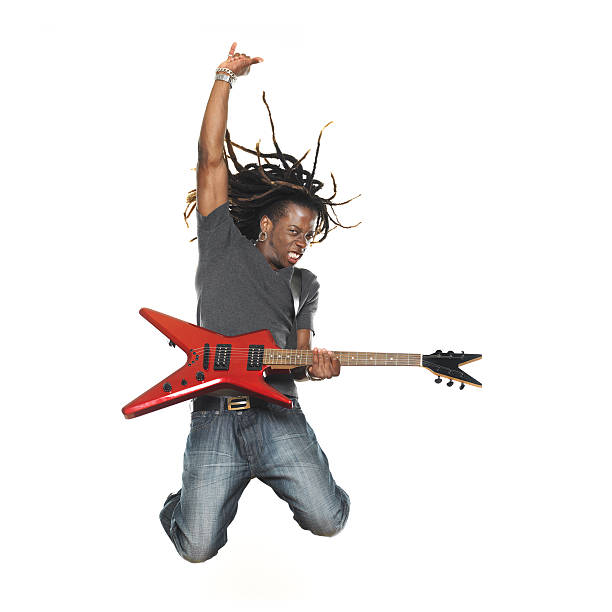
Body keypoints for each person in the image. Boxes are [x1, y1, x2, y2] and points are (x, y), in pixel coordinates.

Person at [159, 42, 358, 563]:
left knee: (329, 520)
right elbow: (209, 158)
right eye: (294, 230)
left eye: (309, 235)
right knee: (196, 547)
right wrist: (225, 76)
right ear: (266, 224)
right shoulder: (221, 243)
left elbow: (301, 351)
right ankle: (179, 505)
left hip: (278, 414)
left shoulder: (304, 282)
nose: (301, 242)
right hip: (214, 415)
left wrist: (318, 368)